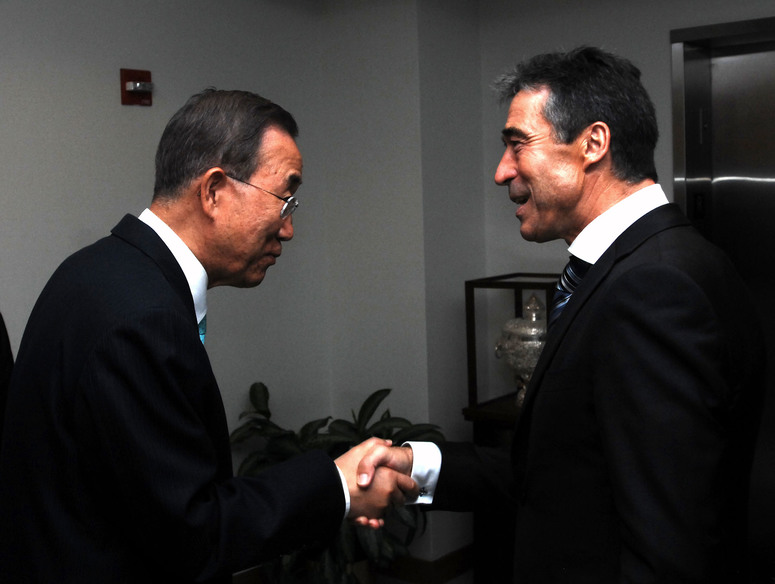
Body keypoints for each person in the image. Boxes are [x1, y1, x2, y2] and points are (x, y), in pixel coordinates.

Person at [360, 46, 767, 583]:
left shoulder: (654, 287)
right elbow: (569, 472)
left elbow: (670, 546)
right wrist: (420, 465)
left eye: (516, 144)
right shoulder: (634, 268)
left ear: (593, 144)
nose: (502, 171)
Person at [0, 89, 416, 584]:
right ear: (215, 190)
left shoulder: (95, 270)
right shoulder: (144, 320)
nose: (289, 230)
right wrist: (339, 485)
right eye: (285, 198)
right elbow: (191, 534)